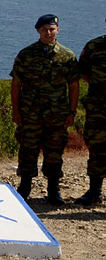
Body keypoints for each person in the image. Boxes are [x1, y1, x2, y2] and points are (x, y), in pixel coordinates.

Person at [11, 14, 80, 204]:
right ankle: (24, 187)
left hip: (57, 115)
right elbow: (16, 83)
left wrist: (72, 112)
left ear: (58, 30)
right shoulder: (26, 54)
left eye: (51, 29)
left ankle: (53, 189)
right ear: (38, 31)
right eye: (44, 29)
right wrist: (15, 110)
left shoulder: (67, 56)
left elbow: (74, 86)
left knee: (54, 152)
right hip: (30, 114)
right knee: (27, 150)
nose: (48, 32)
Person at [77, 18, 106, 207]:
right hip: (99, 108)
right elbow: (84, 72)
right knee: (97, 148)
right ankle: (94, 192)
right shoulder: (94, 46)